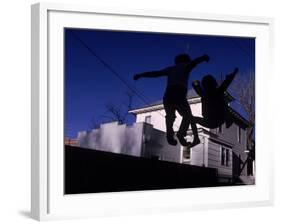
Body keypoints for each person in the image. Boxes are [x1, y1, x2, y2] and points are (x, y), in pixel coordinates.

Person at [133, 53, 209, 147]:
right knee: (188, 116)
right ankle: (183, 134)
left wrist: (141, 75)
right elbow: (194, 62)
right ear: (186, 60)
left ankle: (169, 132)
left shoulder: (170, 69)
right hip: (179, 93)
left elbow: (156, 73)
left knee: (170, 115)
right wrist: (203, 57)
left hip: (168, 95)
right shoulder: (186, 66)